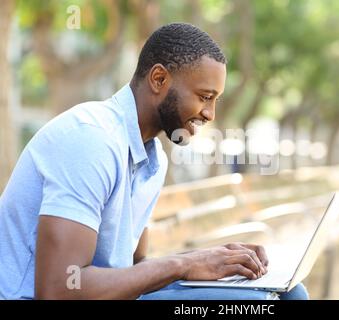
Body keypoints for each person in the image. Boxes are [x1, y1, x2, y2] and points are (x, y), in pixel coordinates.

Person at [0, 23, 308, 300]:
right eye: (204, 96)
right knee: (250, 305)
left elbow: (135, 265)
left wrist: (212, 260)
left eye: (215, 100)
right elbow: (58, 290)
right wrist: (185, 264)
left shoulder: (151, 158)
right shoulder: (91, 140)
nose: (210, 114)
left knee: (289, 292)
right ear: (159, 79)